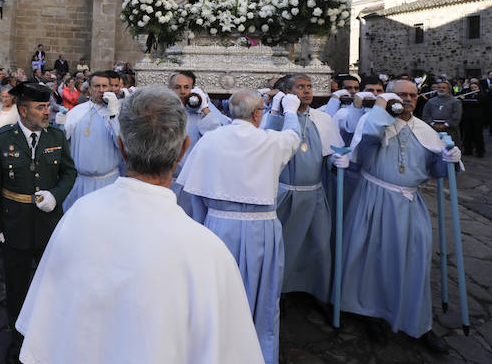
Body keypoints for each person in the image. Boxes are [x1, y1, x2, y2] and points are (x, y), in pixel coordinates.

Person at [16, 85, 264, 364]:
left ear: (121, 147)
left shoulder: (78, 216)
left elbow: (43, 326)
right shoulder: (209, 252)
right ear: (184, 148)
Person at [177, 89, 303, 363]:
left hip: (218, 228)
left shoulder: (211, 141)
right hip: (261, 230)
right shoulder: (270, 141)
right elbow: (293, 138)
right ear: (258, 114)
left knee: (217, 295)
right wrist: (289, 112)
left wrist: (208, 222)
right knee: (261, 296)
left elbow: (194, 193)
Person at [340, 80, 459, 353]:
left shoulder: (426, 130)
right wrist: (384, 109)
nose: (407, 99)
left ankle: (418, 322)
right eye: (401, 94)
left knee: (415, 259)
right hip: (374, 198)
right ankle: (371, 313)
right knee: (372, 258)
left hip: (410, 202)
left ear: (419, 98)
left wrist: (449, 158)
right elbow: (364, 150)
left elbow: (438, 171)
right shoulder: (375, 122)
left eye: (412, 95)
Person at [0, 82, 76, 363]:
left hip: (48, 224)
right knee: (17, 286)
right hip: (15, 225)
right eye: (40, 107)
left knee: (51, 282)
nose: (47, 112)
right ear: (23, 110)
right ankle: (19, 339)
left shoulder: (56, 137)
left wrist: (56, 195)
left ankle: (48, 336)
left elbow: (69, 173)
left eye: (47, 106)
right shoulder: (1, 139)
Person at [263, 74, 342, 305]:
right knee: (285, 246)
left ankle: (316, 290)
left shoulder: (323, 119)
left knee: (318, 243)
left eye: (309, 87)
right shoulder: (276, 119)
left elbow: (329, 152)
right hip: (285, 194)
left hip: (314, 193)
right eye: (300, 87)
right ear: (288, 94)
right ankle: (280, 292)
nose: (307, 91)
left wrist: (335, 162)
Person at [167, 71, 229, 214]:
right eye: (177, 87)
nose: (182, 92)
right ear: (170, 89)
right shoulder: (163, 111)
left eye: (186, 87)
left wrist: (205, 108)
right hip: (168, 180)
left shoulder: (200, 113)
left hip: (192, 181)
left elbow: (217, 137)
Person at [62, 71, 124, 210]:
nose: (101, 90)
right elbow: (62, 144)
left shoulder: (118, 112)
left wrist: (113, 114)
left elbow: (122, 145)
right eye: (96, 86)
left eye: (104, 86)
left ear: (110, 88)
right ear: (89, 89)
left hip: (109, 182)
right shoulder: (76, 113)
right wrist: (59, 126)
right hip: (81, 182)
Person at [422, 80, 463, 145]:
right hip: (433, 128)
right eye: (439, 88)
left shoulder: (455, 102)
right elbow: (425, 115)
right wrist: (433, 124)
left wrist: (445, 125)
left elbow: (456, 116)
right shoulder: (430, 101)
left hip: (450, 130)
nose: (441, 89)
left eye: (443, 88)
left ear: (449, 89)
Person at [459, 79, 490, 157]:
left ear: (478, 88)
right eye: (472, 88)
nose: (473, 89)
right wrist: (462, 98)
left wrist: (467, 99)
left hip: (478, 118)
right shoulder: (468, 94)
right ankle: (468, 150)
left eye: (475, 87)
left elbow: (482, 103)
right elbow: (463, 104)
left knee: (478, 135)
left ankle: (480, 151)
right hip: (467, 117)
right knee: (467, 134)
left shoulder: (482, 95)